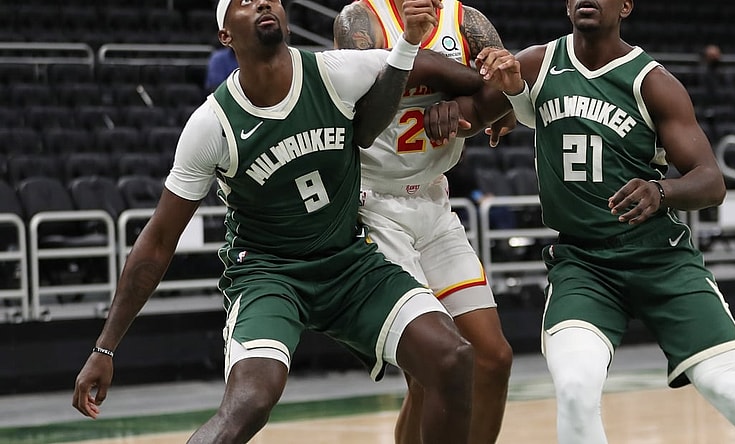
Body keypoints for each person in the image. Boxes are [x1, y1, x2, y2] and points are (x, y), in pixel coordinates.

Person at [71, 1, 478, 443]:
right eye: (243, 1)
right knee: (250, 402)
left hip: (348, 263)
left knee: (452, 357)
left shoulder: (334, 71)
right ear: (226, 35)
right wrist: (104, 347)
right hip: (269, 274)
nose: (263, 2)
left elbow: (418, 63)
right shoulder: (212, 124)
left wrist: (481, 93)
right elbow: (158, 240)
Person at [423, 0, 735, 442]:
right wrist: (451, 110)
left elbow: (711, 181)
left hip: (661, 259)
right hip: (584, 264)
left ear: (627, 6)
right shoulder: (537, 63)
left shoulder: (651, 81)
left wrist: (661, 190)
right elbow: (473, 115)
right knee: (576, 389)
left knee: (733, 390)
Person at [333, 1, 513, 442]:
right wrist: (445, 78)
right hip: (373, 205)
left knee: (493, 357)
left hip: (434, 203)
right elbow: (359, 114)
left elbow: (503, 103)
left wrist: (463, 108)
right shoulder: (360, 20)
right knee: (431, 367)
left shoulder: (468, 20)